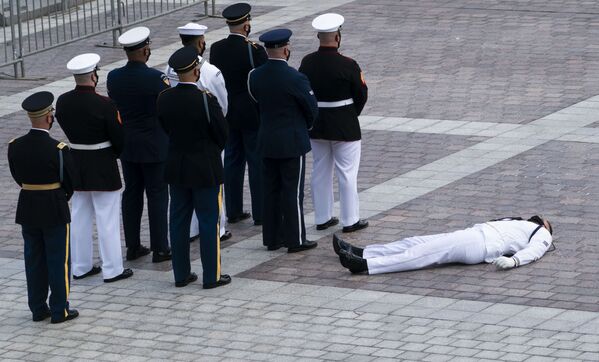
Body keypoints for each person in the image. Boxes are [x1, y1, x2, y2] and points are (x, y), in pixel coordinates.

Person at [56, 53, 134, 284]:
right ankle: (112, 269)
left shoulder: (63, 101)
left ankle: (81, 266)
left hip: (76, 163)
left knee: (80, 215)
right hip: (102, 163)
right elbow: (119, 138)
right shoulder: (105, 104)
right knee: (107, 218)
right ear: (93, 76)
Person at [157, 46, 231, 289]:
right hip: (205, 167)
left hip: (177, 166)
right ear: (196, 71)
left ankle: (181, 274)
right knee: (209, 221)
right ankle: (212, 276)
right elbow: (222, 134)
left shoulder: (164, 98)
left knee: (178, 221)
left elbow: (166, 128)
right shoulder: (205, 99)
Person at [7, 91, 79, 323]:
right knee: (58, 259)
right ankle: (60, 310)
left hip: (28, 205)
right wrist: (59, 195)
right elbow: (70, 182)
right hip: (54, 206)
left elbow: (18, 177)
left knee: (34, 259)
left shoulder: (15, 146)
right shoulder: (58, 149)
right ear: (49, 117)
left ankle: (38, 308)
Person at [247, 28, 319, 253]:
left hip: (267, 139)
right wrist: (304, 126)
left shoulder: (254, 75)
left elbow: (256, 103)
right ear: (286, 49)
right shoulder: (295, 77)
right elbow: (311, 109)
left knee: (269, 190)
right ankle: (295, 239)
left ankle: (272, 238)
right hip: (291, 141)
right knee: (292, 191)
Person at [107, 26, 172, 263]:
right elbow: (166, 108)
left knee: (132, 194)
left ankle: (133, 246)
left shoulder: (114, 77)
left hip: (128, 144)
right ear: (146, 50)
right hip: (154, 144)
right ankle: (160, 248)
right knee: (157, 195)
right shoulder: (156, 78)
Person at [299, 13, 369, 233]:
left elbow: (304, 92)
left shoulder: (307, 62)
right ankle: (350, 220)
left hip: (317, 124)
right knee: (347, 173)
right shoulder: (348, 64)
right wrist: (350, 114)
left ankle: (322, 217)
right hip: (344, 125)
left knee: (320, 170)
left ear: (319, 37)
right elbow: (361, 94)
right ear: (337, 37)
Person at [164, 22, 232, 243]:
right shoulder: (211, 71)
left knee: (186, 190)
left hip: (180, 137)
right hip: (207, 137)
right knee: (212, 187)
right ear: (202, 43)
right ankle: (218, 228)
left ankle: (193, 230)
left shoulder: (171, 68)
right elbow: (222, 107)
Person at [334, 216, 554, 274]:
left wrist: (514, 261)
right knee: (414, 242)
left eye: (545, 222)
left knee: (420, 254)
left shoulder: (541, 233)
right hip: (471, 235)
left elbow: (536, 250)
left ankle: (366, 265)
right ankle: (364, 252)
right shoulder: (518, 222)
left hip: (479, 243)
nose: (540, 219)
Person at [210, 2, 267, 226]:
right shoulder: (254, 50)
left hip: (228, 111)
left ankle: (233, 210)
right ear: (246, 25)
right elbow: (261, 81)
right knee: (255, 161)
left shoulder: (216, 48)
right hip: (251, 112)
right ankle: (261, 212)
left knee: (233, 161)